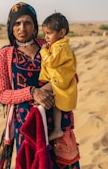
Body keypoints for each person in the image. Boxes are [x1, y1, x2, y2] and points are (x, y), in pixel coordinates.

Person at [0, 2, 80, 169]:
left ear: (34, 25)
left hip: (57, 123)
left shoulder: (49, 45)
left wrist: (49, 88)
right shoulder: (5, 54)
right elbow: (3, 94)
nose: (22, 28)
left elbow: (72, 75)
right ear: (11, 27)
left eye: (27, 22)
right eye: (17, 23)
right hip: (28, 126)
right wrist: (32, 92)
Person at [39, 12, 78, 141]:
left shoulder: (60, 47)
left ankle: (38, 125)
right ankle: (57, 130)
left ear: (61, 32)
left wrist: (43, 51)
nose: (46, 37)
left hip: (58, 80)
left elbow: (51, 62)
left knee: (40, 95)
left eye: (49, 33)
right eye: (45, 33)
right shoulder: (59, 46)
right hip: (58, 79)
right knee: (57, 106)